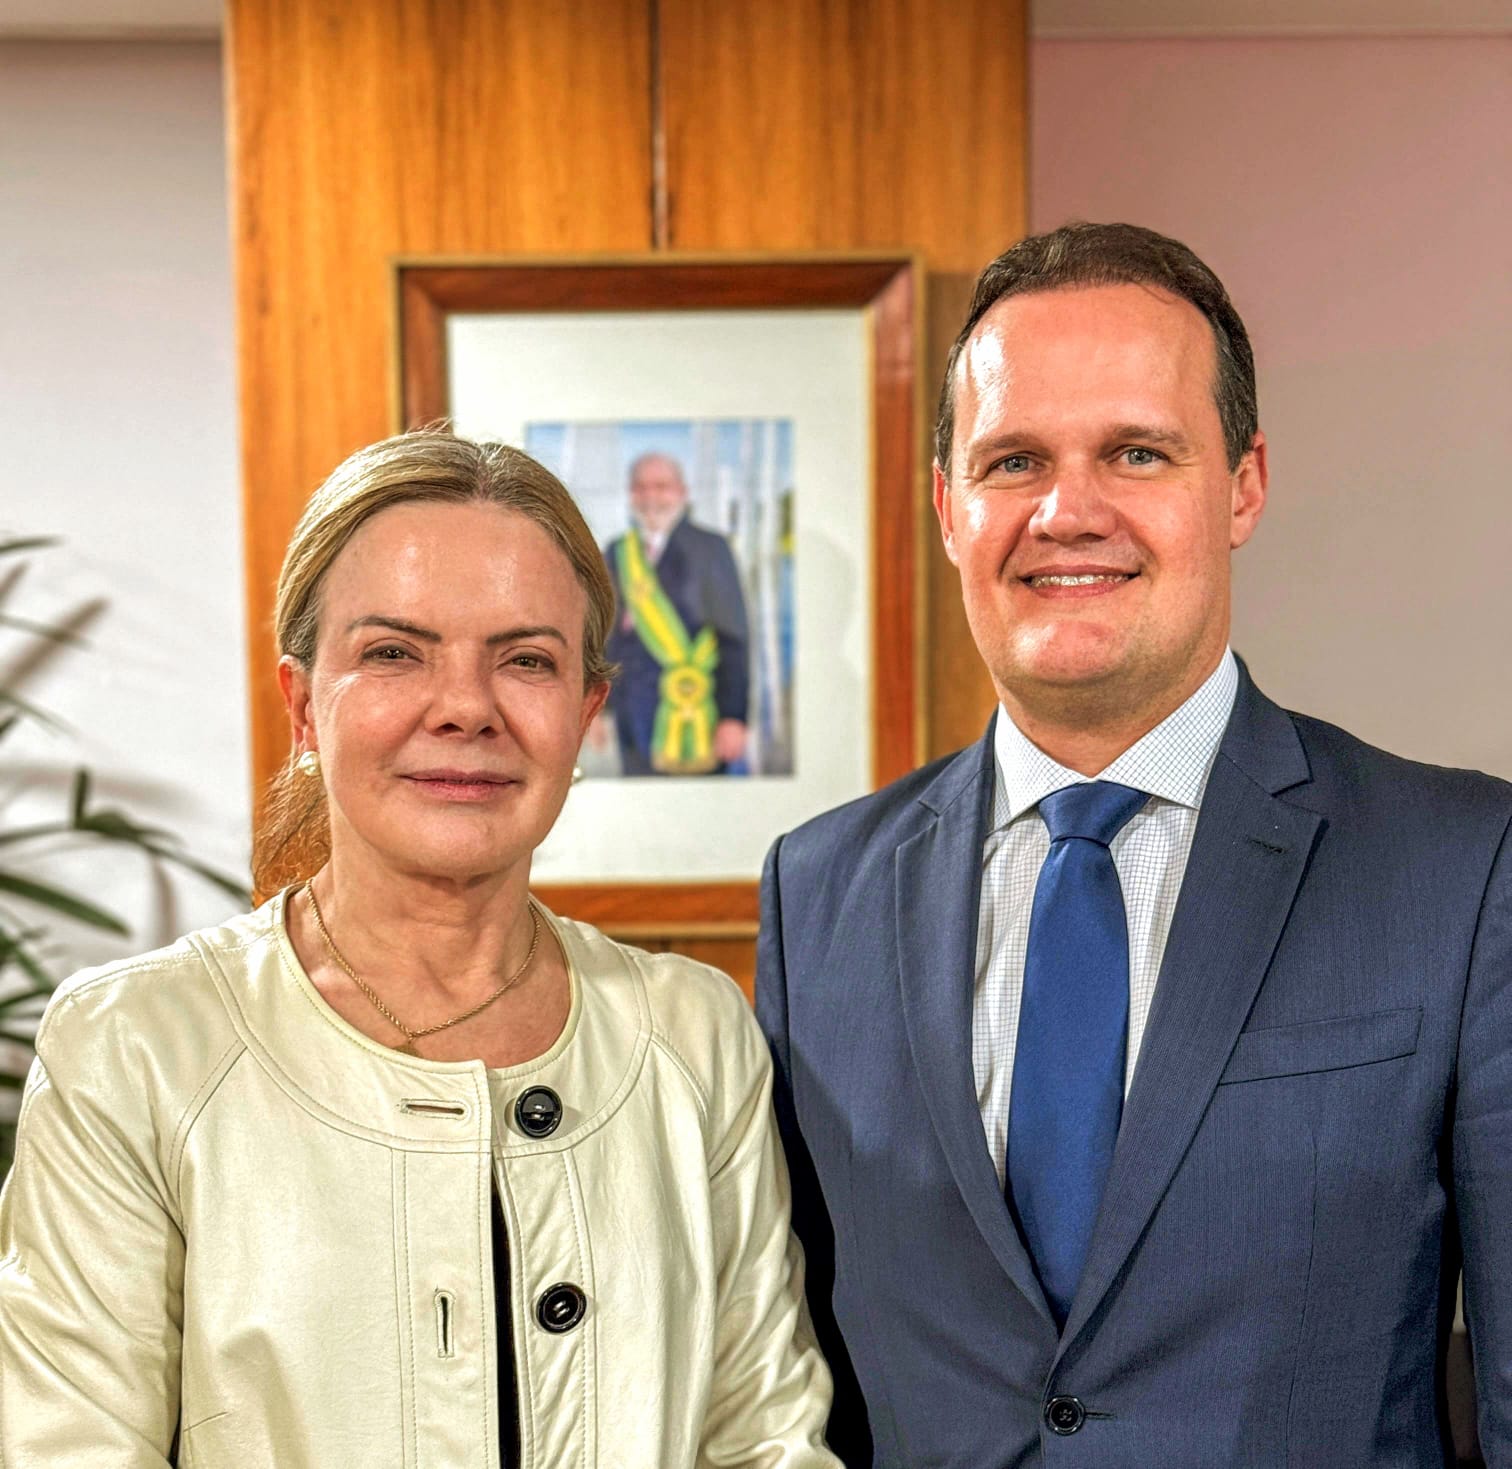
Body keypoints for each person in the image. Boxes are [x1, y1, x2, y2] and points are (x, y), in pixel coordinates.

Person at [757, 222, 1511, 1466]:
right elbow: (793, 1387)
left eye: (1137, 452)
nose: (1068, 511)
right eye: (1013, 461)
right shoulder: (817, 890)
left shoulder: (1462, 868)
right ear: (948, 507)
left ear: (1244, 486)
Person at [0, 430, 838, 1466]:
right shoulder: (132, 1047)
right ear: (303, 704)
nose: (466, 708)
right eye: (395, 652)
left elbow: (768, 1438)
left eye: (526, 660)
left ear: (585, 712)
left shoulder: (693, 1033)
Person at [601, 450, 750, 774]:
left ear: (682, 492)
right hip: (631, 715)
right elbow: (604, 635)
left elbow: (733, 637)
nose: (650, 496)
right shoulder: (617, 551)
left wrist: (733, 717)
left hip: (700, 713)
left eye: (661, 486)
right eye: (641, 487)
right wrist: (598, 709)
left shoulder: (711, 547)